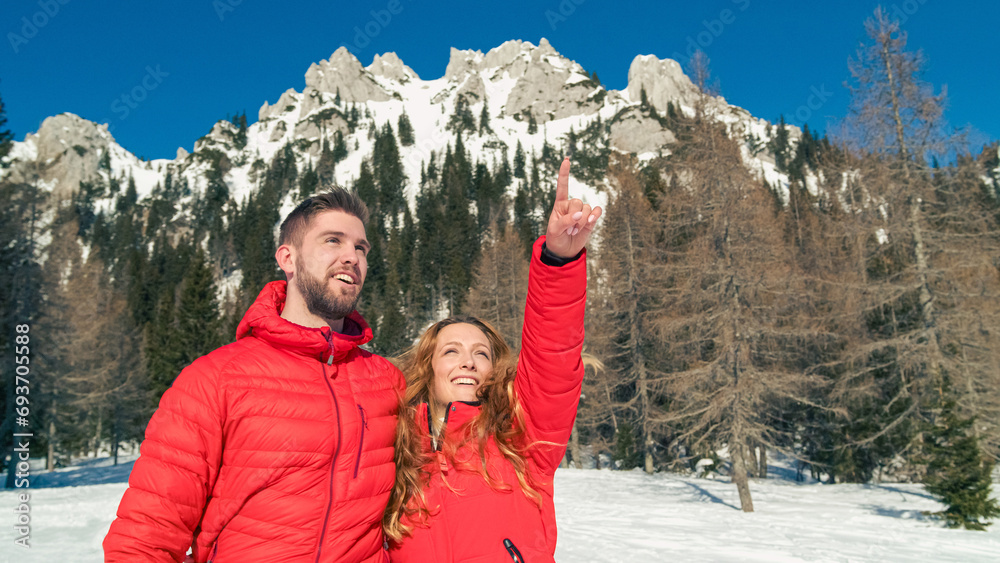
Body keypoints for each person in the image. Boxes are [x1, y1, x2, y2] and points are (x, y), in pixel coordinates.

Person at [104, 188, 405, 562]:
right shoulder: (216, 378)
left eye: (361, 248)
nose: (352, 257)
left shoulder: (386, 381)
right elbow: (147, 534)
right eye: (333, 241)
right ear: (288, 258)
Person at [384, 157, 601, 562]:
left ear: (493, 369)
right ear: (428, 370)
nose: (467, 362)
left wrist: (558, 262)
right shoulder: (396, 453)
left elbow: (552, 356)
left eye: (479, 353)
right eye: (451, 351)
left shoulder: (522, 440)